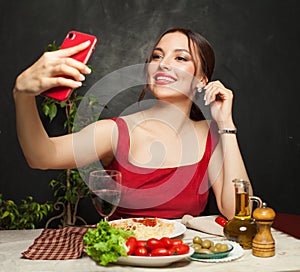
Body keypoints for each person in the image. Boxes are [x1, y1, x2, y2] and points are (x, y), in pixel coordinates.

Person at [13, 27, 251, 220]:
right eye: (157, 56)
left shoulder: (211, 135)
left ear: (200, 78)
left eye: (180, 58)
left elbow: (238, 212)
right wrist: (22, 95)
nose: (163, 64)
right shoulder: (115, 132)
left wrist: (225, 123)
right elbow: (41, 156)